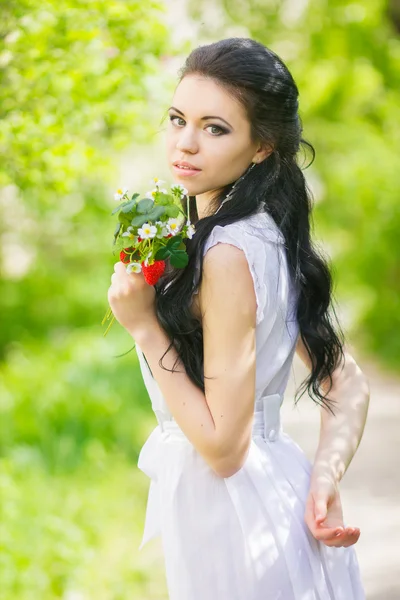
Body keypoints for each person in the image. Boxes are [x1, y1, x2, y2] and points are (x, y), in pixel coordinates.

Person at [108, 38, 370, 600]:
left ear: (261, 147)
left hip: (234, 515)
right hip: (264, 499)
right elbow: (347, 382)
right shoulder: (265, 233)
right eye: (178, 119)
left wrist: (144, 325)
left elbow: (225, 448)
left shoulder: (228, 253)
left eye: (215, 128)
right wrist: (322, 479)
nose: (185, 143)